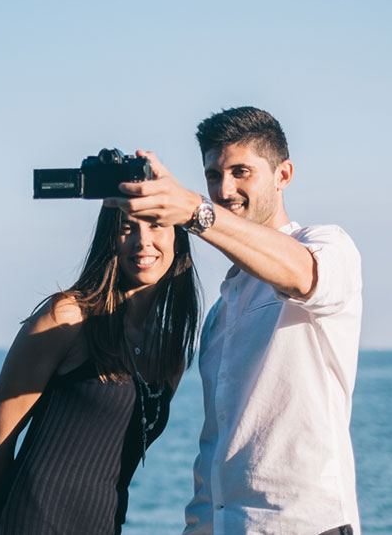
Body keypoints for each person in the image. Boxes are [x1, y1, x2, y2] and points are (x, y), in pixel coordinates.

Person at [104, 106, 363, 535]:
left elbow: (301, 275)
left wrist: (194, 210)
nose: (224, 190)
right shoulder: (221, 310)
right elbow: (221, 443)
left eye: (241, 172)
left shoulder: (326, 246)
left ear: (283, 175)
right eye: (212, 176)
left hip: (303, 526)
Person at [0, 204, 202, 535]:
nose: (142, 241)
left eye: (156, 225)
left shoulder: (170, 356)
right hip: (26, 522)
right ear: (109, 240)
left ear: (177, 238)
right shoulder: (68, 317)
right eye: (127, 228)